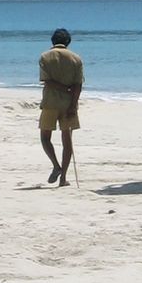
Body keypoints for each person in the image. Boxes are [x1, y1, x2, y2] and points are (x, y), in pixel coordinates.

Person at [38, 28, 83, 187]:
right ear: (68, 42)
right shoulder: (76, 58)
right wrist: (72, 104)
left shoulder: (45, 56)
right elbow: (78, 85)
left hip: (50, 102)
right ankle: (63, 177)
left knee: (45, 137)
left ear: (52, 41)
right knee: (67, 141)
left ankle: (56, 165)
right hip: (68, 104)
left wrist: (63, 88)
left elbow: (47, 81)